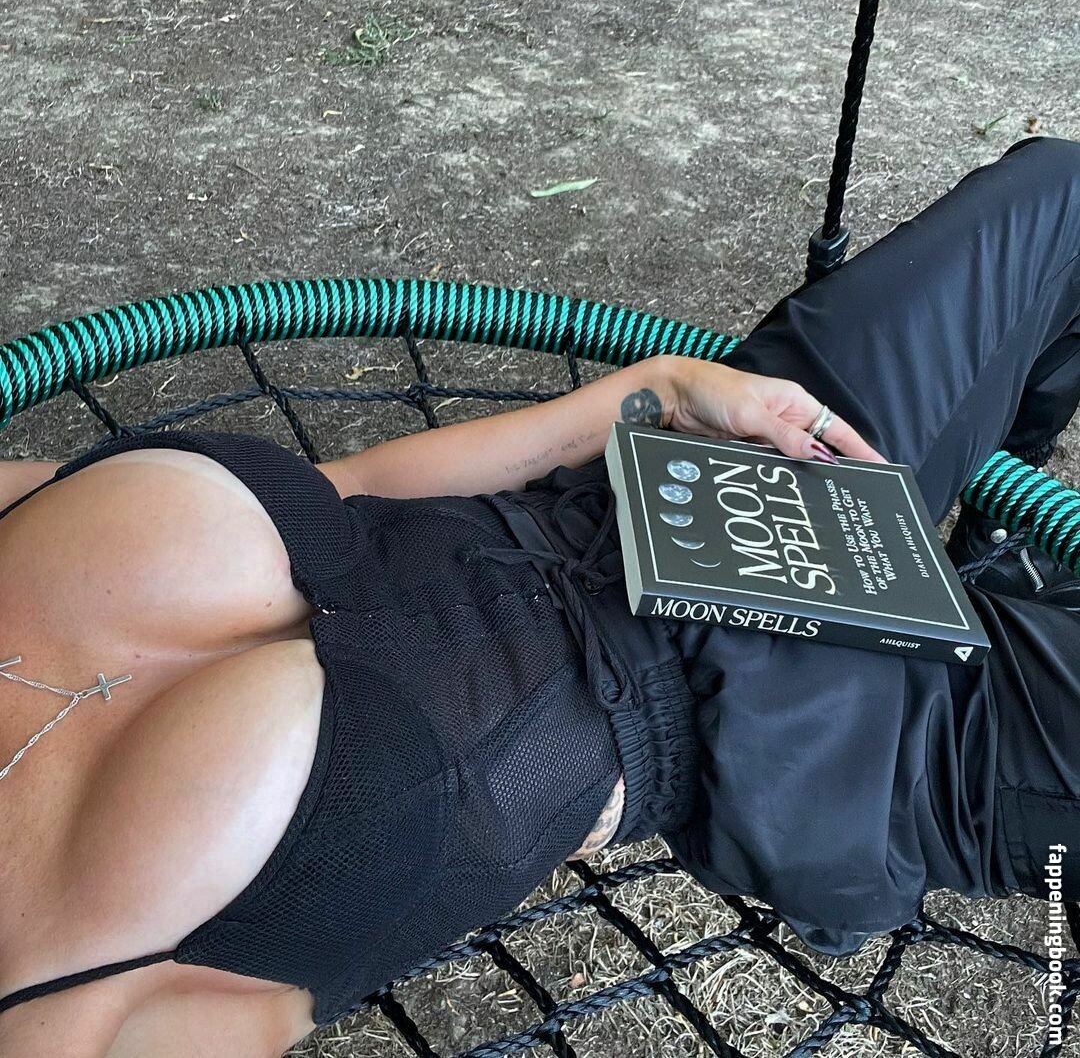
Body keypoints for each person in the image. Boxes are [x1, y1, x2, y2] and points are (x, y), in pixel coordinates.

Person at [1, 134, 1079, 1057]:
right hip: (807, 738)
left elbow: (349, 494)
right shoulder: (51, 1009)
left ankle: (987, 558)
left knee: (1062, 192)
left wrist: (647, 393)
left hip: (680, 496)